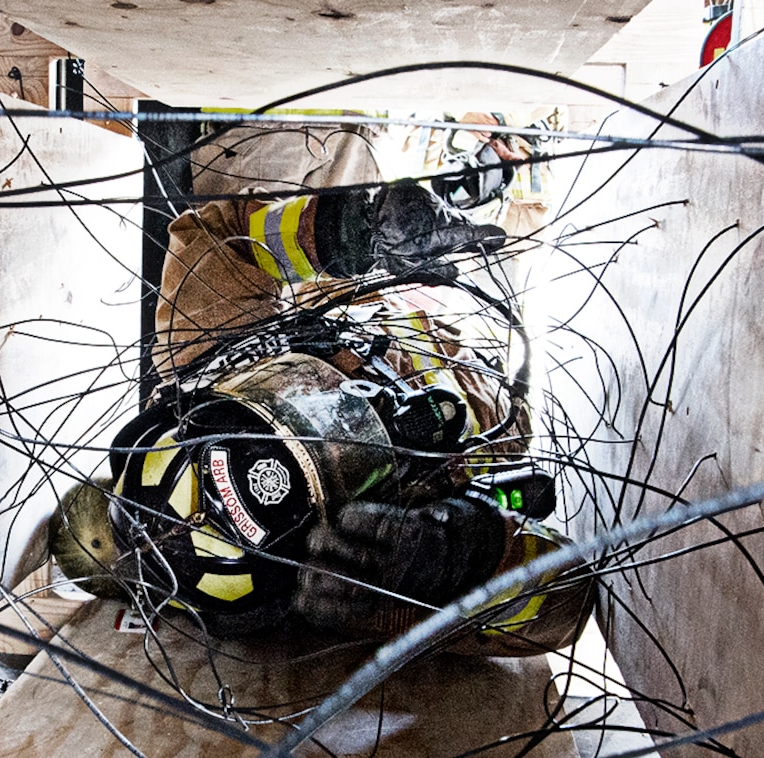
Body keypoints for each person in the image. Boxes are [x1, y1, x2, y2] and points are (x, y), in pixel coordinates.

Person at [51, 132, 593, 655]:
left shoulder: (196, 365)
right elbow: (570, 599)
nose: (332, 425)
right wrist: (466, 559)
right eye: (328, 461)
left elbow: (215, 235)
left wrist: (348, 233)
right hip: (485, 392)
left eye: (295, 416)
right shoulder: (360, 574)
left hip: (396, 294)